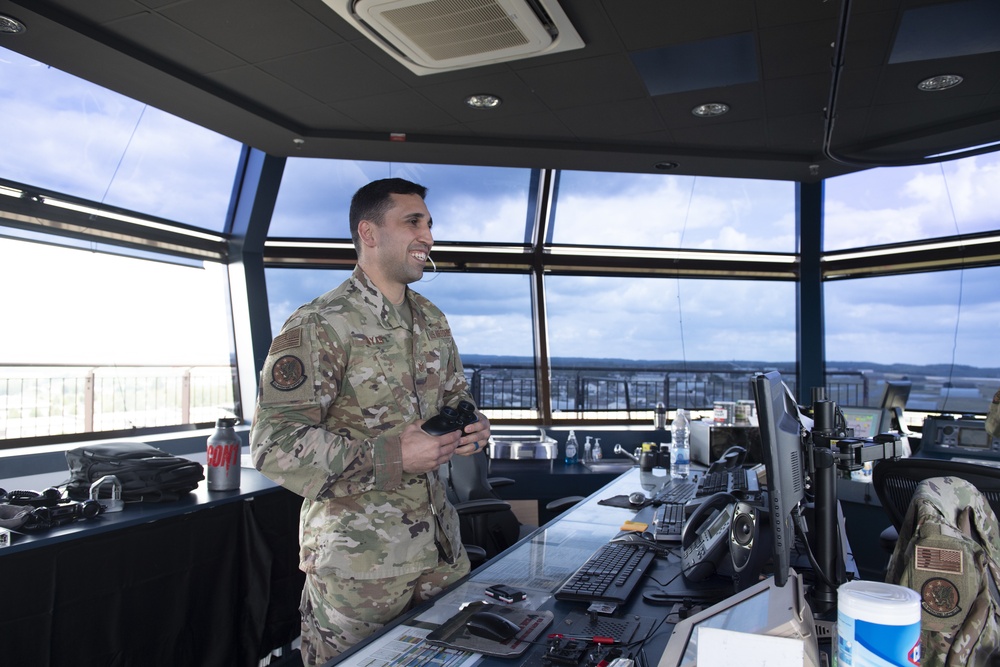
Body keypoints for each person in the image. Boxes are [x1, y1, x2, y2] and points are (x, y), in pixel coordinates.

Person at [249, 178, 491, 666]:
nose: (427, 236)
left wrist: (472, 425)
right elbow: (273, 444)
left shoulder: (432, 320)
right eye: (413, 222)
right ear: (370, 232)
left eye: (429, 224)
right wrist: (392, 456)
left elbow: (455, 397)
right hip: (358, 569)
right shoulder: (320, 324)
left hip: (440, 550)